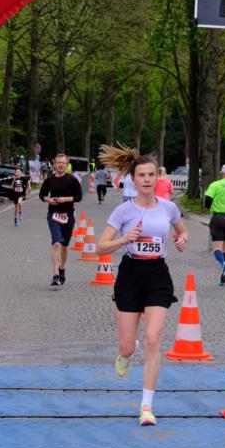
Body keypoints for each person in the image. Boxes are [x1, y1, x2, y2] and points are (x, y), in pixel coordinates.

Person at [96, 145, 189, 427]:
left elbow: (182, 230)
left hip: (157, 275)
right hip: (130, 274)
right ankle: (127, 351)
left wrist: (182, 239)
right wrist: (125, 239)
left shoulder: (168, 208)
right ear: (133, 180)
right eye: (141, 175)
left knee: (153, 340)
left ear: (157, 178)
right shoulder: (123, 211)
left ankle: (146, 406)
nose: (147, 180)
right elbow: (100, 247)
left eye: (151, 175)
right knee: (127, 347)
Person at [38, 152, 83, 287]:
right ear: (54, 164)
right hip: (53, 215)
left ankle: (62, 268)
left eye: (63, 163)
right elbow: (42, 195)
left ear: (67, 164)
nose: (61, 165)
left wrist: (65, 199)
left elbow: (78, 197)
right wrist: (49, 200)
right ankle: (55, 275)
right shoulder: (50, 180)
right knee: (56, 243)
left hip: (68, 216)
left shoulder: (72, 180)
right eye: (58, 163)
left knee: (64, 246)